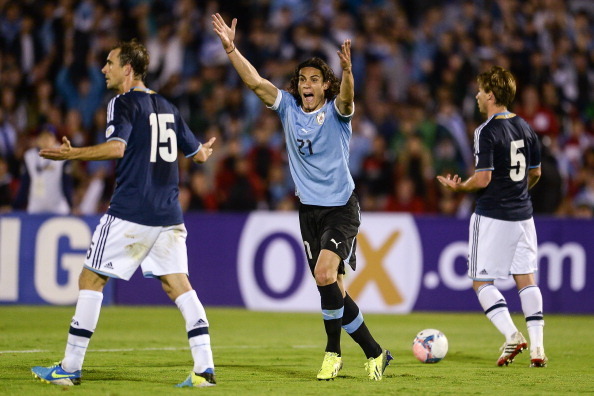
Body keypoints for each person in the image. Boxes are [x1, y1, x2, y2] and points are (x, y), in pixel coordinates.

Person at [212, 14, 392, 381]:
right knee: (332, 288)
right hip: (308, 210)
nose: (307, 85)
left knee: (325, 273)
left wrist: (347, 73)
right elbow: (255, 82)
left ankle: (332, 354)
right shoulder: (289, 109)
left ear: (326, 86)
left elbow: (348, 97)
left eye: (314, 80)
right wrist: (231, 48)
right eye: (302, 80)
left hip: (341, 208)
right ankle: (376, 353)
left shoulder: (337, 113)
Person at [31, 39, 218, 388]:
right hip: (169, 213)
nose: (104, 69)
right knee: (178, 285)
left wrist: (73, 155)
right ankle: (205, 368)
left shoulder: (122, 102)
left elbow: (118, 147)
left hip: (132, 210)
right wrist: (204, 150)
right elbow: (199, 156)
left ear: (127, 70)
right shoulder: (168, 106)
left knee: (90, 280)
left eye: (110, 63)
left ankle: (69, 368)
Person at [437, 66, 547, 368]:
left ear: (491, 95)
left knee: (480, 281)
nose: (476, 95)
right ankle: (537, 348)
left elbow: (483, 179)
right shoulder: (526, 127)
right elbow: (535, 172)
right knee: (526, 279)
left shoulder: (485, 131)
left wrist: (460, 187)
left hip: (494, 215)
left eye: (480, 90)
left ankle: (512, 335)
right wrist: (517, 191)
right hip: (524, 215)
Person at [13, 125, 73, 214]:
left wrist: (71, 205)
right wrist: (15, 206)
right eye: (42, 137)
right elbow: (25, 184)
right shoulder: (29, 156)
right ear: (37, 139)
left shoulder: (63, 156)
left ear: (54, 139)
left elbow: (66, 184)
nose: (45, 140)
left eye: (49, 137)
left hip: (58, 208)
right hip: (36, 207)